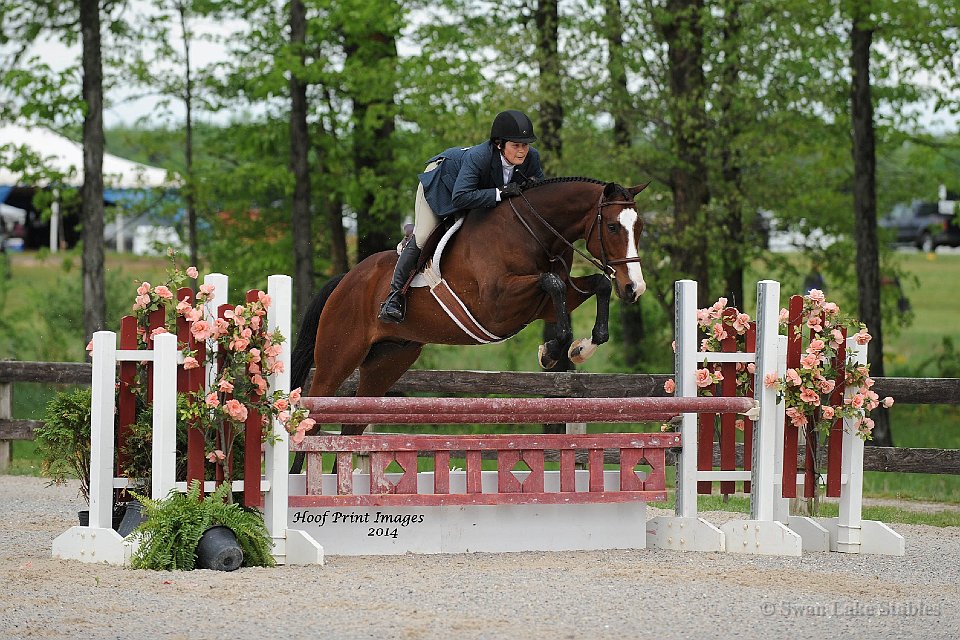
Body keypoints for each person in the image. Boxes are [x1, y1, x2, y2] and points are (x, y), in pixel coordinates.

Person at [378, 109, 546, 323]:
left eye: (525, 145)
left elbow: (540, 193)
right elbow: (461, 197)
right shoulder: (480, 157)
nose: (522, 151)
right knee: (423, 237)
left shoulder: (532, 158)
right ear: (499, 144)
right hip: (443, 185)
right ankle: (394, 297)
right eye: (516, 145)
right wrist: (500, 192)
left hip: (474, 194)